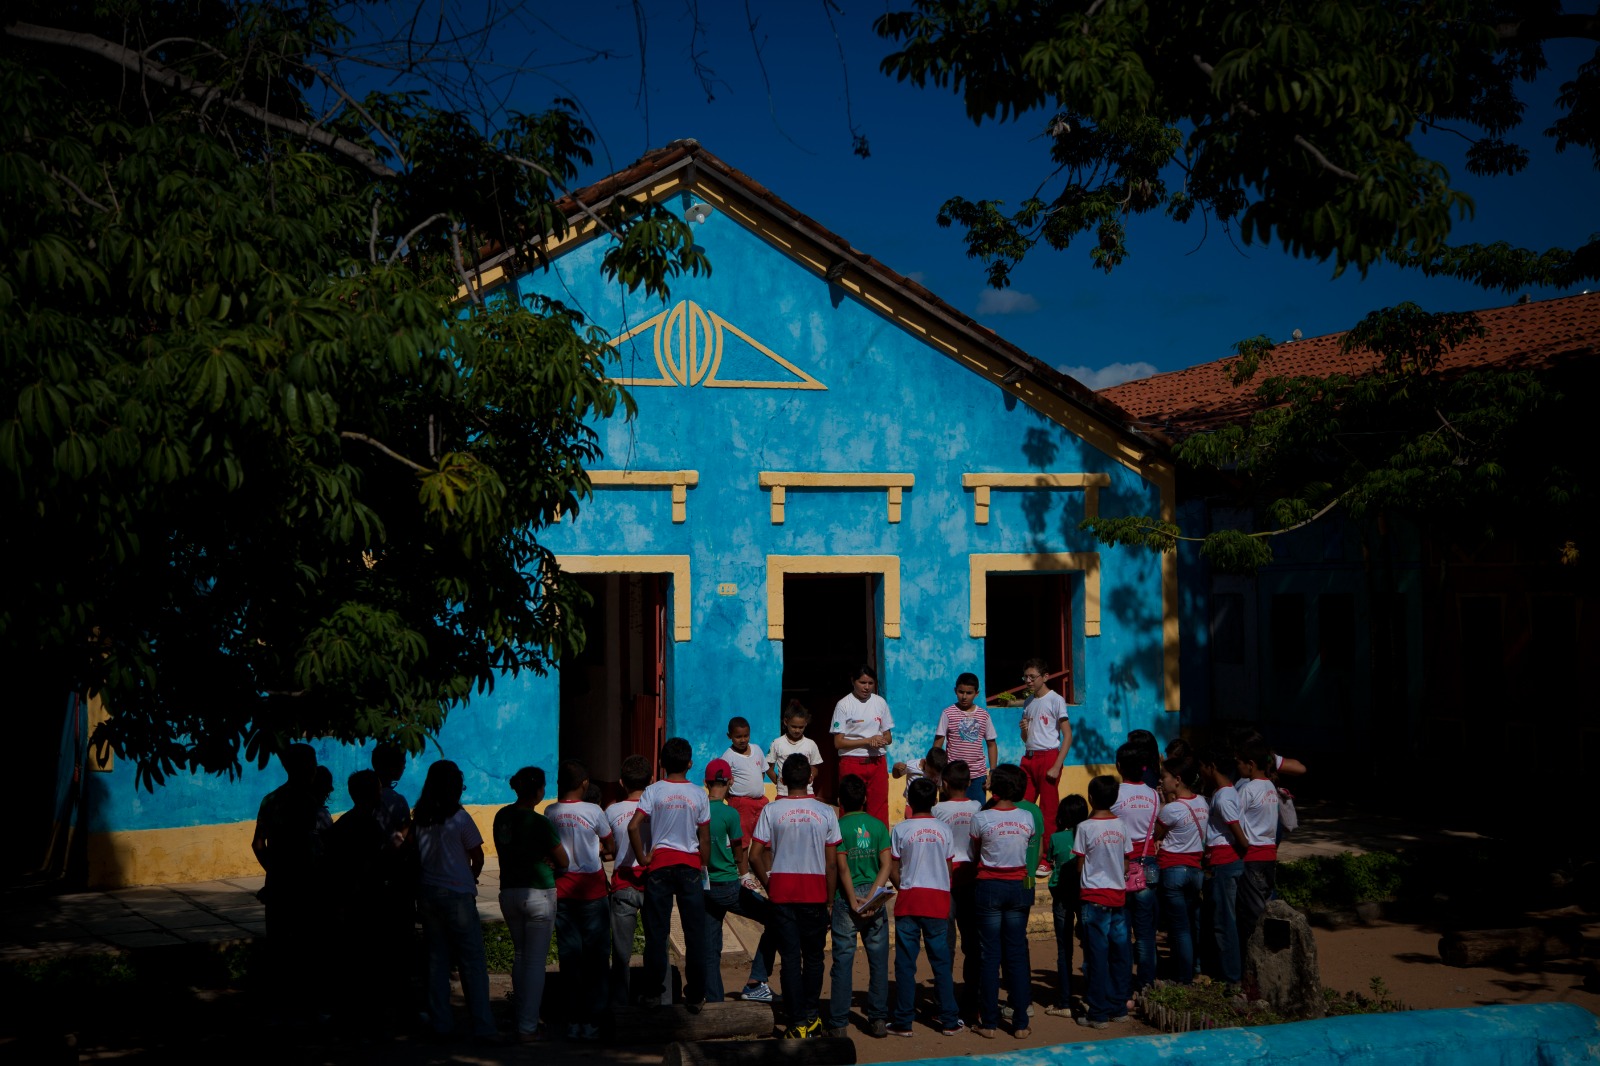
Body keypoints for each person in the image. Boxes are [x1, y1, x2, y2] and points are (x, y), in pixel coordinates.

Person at [749, 753, 842, 1041]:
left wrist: (770, 884)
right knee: (814, 958)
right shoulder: (826, 812)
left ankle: (797, 1022)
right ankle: (812, 1018)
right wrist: (830, 901)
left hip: (782, 894)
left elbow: (754, 855)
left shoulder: (771, 810)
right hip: (815, 894)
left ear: (782, 779)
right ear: (810, 778)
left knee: (789, 959)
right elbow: (831, 864)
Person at [413, 760, 498, 1042]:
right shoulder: (460, 818)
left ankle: (441, 1025)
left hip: (428, 894)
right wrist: (471, 877)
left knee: (437, 961)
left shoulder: (420, 817)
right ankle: (483, 1026)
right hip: (457, 896)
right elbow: (478, 855)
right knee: (472, 962)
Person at [630, 737, 712, 1010]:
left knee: (657, 933)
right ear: (690, 764)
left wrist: (643, 858)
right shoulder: (699, 794)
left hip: (659, 867)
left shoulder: (653, 791)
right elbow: (704, 838)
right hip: (690, 868)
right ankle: (696, 995)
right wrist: (703, 866)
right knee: (694, 934)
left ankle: (653, 992)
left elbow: (633, 827)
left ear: (662, 763)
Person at [251, 743, 328, 1022]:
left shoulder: (270, 800)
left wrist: (274, 871)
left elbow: (258, 844)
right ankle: (307, 1008)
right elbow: (309, 846)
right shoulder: (307, 802)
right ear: (307, 768)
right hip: (305, 884)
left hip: (278, 883)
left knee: (280, 946)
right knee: (308, 947)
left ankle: (279, 1007)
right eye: (312, 763)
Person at [493, 766, 569, 1043]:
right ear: (538, 791)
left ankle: (523, 1017)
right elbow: (563, 860)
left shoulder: (502, 816)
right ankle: (527, 1027)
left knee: (521, 955)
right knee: (535, 962)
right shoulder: (540, 823)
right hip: (538, 894)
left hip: (509, 892)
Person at [887, 777, 964, 1037]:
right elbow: (949, 868)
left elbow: (894, 868)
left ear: (909, 800)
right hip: (937, 900)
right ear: (935, 800)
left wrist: (903, 887)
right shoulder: (944, 830)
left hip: (909, 899)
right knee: (941, 962)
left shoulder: (901, 829)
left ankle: (903, 1021)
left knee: (905, 963)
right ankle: (949, 1020)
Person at [702, 758, 779, 1003]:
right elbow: (739, 853)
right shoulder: (730, 814)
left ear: (706, 782)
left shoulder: (698, 811)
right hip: (728, 885)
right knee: (775, 917)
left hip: (705, 886)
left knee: (711, 947)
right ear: (731, 782)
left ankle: (714, 1000)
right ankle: (756, 980)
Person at [968, 763, 1035, 1039]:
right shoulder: (1027, 817)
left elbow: (975, 853)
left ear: (994, 787)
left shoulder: (981, 818)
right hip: (1019, 887)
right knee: (1016, 954)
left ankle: (989, 1023)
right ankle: (1020, 1023)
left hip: (989, 887)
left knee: (989, 955)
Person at [549, 760, 614, 1041]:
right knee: (597, 958)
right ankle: (594, 1019)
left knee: (570, 957)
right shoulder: (594, 810)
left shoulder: (550, 812)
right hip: (592, 891)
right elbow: (610, 844)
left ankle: (573, 1019)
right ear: (585, 783)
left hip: (563, 890)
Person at [823, 775, 891, 1038]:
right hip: (874, 899)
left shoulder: (838, 827)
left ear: (840, 801)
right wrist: (873, 897)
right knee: (879, 961)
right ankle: (878, 1019)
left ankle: (839, 1023)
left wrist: (852, 900)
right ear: (865, 798)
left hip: (846, 899)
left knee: (842, 960)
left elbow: (840, 867)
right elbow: (886, 865)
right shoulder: (878, 826)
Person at [1074, 775, 1133, 1029]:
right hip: (1117, 896)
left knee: (1097, 956)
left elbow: (1079, 865)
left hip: (1094, 897)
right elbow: (1127, 862)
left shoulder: (1085, 827)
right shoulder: (1121, 826)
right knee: (1119, 953)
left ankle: (1098, 1013)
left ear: (1090, 798)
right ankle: (1118, 1007)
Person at [932, 760, 983, 1021]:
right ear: (969, 783)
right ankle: (972, 1000)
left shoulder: (937, 810)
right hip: (971, 877)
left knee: (947, 943)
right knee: (972, 943)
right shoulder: (977, 807)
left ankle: (945, 1000)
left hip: (946, 878)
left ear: (944, 784)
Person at [1153, 755, 1207, 983]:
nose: (1161, 780)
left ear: (1177, 779)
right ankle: (1194, 968)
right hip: (1195, 870)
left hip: (1173, 870)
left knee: (1179, 928)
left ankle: (1183, 978)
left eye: (1164, 776)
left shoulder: (1172, 809)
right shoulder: (1202, 803)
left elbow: (1156, 834)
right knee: (1192, 924)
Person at [1111, 740, 1161, 991]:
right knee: (1145, 932)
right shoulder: (1154, 795)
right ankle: (1146, 983)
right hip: (1147, 862)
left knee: (1121, 929)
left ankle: (1122, 984)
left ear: (1119, 766)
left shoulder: (1115, 794)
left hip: (1120, 864)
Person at [1197, 743, 1248, 986]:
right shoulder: (1225, 793)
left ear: (1211, 766)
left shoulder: (1225, 797)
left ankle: (1231, 978)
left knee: (1224, 923)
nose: (1200, 772)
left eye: (1202, 767)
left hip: (1224, 863)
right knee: (1223, 920)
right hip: (1224, 862)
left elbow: (1240, 837)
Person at [604, 755, 651, 1008]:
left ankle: (620, 1004)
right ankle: (660, 1000)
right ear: (651, 780)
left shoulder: (612, 811)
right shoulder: (657, 808)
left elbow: (607, 847)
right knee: (657, 947)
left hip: (623, 883)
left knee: (621, 953)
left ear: (622, 783)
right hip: (653, 882)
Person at [1017, 659, 1072, 874]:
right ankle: (1023, 851)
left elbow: (1067, 735)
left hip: (1049, 757)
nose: (1028, 681)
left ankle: (1047, 859)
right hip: (1029, 757)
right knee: (1022, 805)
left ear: (1045, 677)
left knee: (1048, 810)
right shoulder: (1028, 702)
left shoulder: (1056, 700)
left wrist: (1057, 765)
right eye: (1026, 677)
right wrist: (1024, 729)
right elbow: (1026, 738)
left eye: (1032, 677)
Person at [831, 665, 894, 824]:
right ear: (853, 681)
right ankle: (847, 838)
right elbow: (838, 742)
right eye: (862, 682)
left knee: (879, 806)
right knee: (849, 806)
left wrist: (881, 740)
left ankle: (879, 839)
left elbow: (888, 737)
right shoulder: (844, 705)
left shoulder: (880, 702)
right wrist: (867, 741)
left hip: (877, 762)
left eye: (870, 683)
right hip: (851, 762)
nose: (866, 687)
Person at [1044, 793, 1088, 1018]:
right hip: (1084, 895)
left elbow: (1051, 860)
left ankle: (1064, 1001)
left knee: (1064, 949)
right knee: (1089, 946)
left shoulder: (1056, 837)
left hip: (1061, 896)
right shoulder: (1088, 834)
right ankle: (1089, 997)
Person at [1235, 738, 1281, 947]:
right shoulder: (1271, 786)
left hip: (1252, 856)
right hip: (1269, 855)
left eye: (1239, 762)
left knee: (1253, 913)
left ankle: (1258, 954)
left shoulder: (1248, 789)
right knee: (1265, 906)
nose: (1238, 767)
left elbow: (1236, 822)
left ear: (1251, 764)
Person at [934, 673, 998, 797]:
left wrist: (992, 772)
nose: (964, 697)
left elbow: (991, 744)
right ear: (955, 691)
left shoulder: (984, 715)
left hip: (977, 777)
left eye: (969, 693)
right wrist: (938, 775)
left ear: (976, 693)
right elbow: (937, 745)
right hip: (952, 775)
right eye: (961, 692)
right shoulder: (947, 713)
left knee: (977, 808)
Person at [721, 716, 770, 841]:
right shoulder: (728, 757)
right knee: (742, 841)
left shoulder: (757, 749)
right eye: (738, 737)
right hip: (741, 804)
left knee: (765, 840)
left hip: (761, 801)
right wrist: (733, 800)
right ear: (729, 736)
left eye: (746, 736)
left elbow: (762, 772)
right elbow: (723, 782)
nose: (743, 740)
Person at [768, 701, 823, 795]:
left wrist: (808, 780)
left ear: (806, 724)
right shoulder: (777, 743)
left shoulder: (811, 744)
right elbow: (769, 768)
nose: (797, 730)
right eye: (794, 726)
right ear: (786, 722)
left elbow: (815, 769)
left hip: (806, 793)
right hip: (784, 794)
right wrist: (779, 783)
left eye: (801, 727)